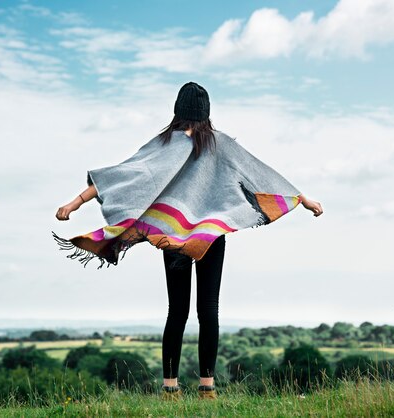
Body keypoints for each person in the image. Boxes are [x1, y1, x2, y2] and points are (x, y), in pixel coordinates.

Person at [55, 82, 323, 400]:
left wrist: (75, 203)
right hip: (209, 236)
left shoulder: (165, 143)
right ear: (206, 113)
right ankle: (207, 386)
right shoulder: (220, 144)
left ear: (177, 111)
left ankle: (170, 387)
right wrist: (303, 200)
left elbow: (126, 174)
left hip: (172, 236)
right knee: (208, 308)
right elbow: (261, 175)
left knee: (177, 310)